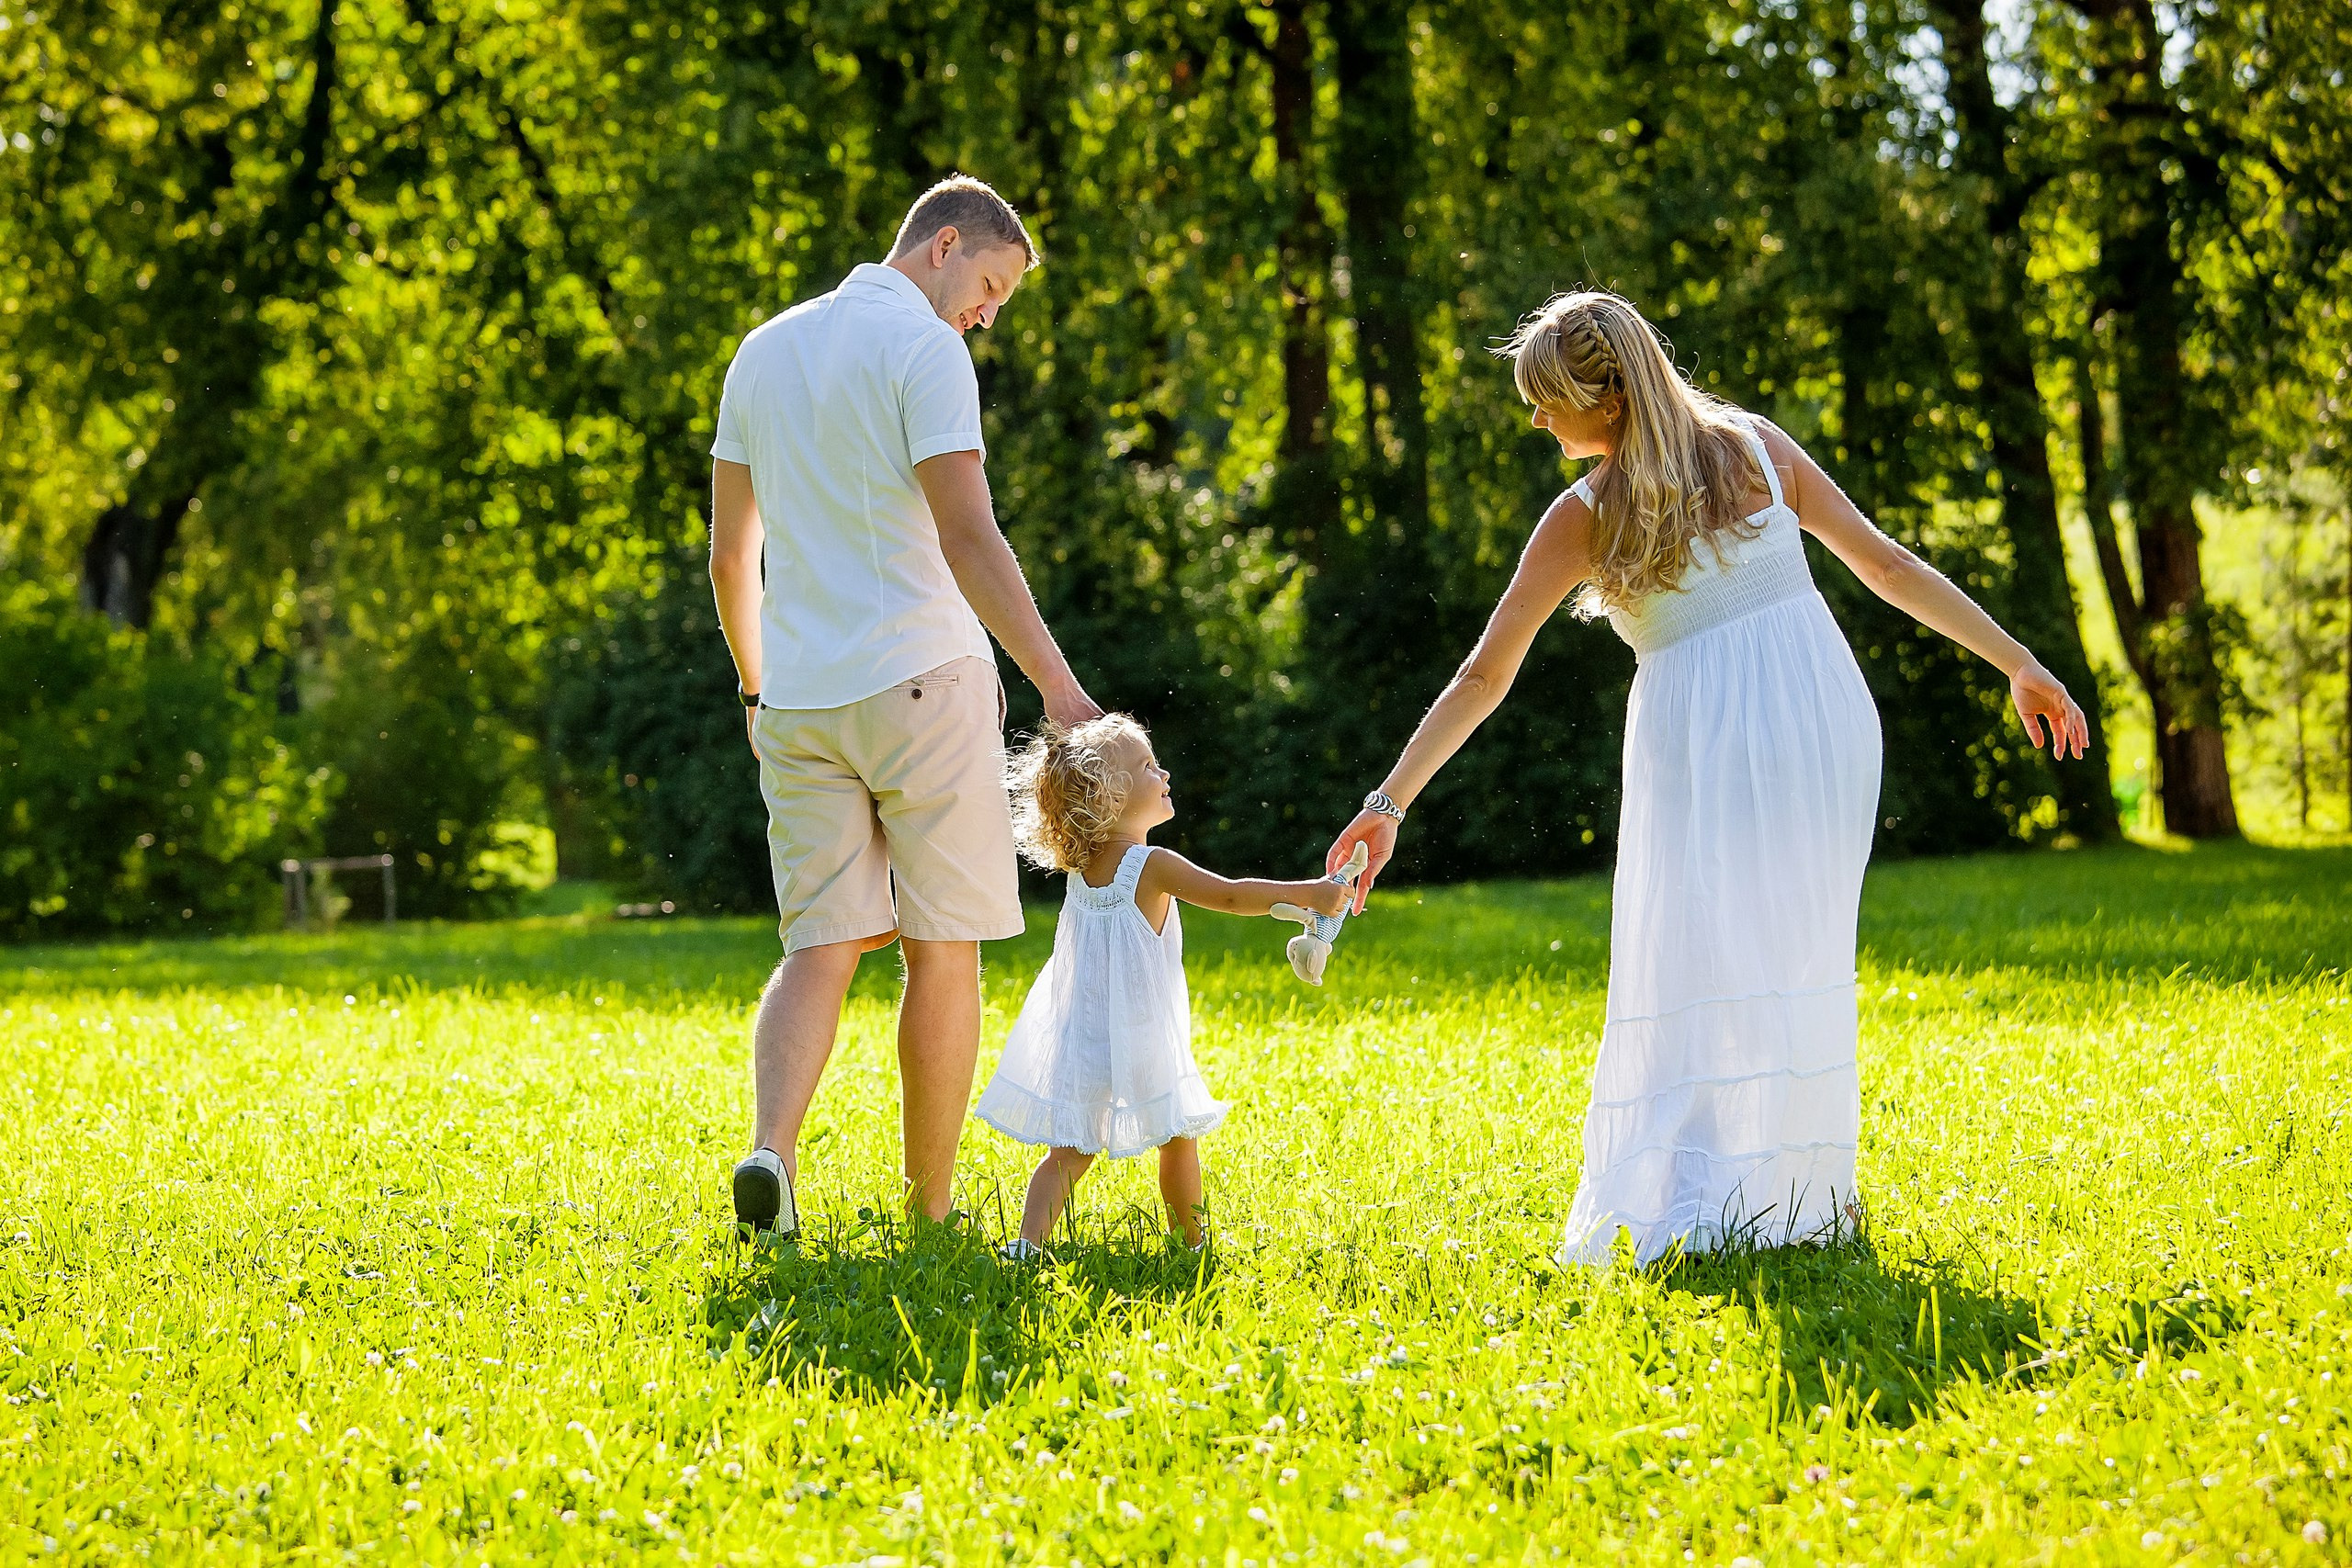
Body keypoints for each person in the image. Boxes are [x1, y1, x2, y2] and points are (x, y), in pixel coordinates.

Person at [1326, 289, 2089, 1266]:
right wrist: (2016, 660)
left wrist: (1388, 802)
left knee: (1703, 954)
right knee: (1793, 953)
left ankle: (1736, 1191)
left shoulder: (1583, 516)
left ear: (1606, 401)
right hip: (1820, 717)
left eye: (1546, 402)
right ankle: (1802, 1187)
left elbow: (1484, 677)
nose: (1536, 420)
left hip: (1711, 735)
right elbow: (1889, 567)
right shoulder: (1757, 447)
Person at [707, 175, 1103, 1238]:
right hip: (923, 683)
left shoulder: (762, 351)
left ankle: (770, 1154)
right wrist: (1057, 686)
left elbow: (730, 557)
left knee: (819, 944)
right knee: (943, 947)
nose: (987, 315)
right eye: (990, 287)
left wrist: (755, 686)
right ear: (943, 245)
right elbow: (967, 534)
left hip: (799, 700)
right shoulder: (926, 352)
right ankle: (929, 1213)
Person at [976, 715, 1350, 1256]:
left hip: (1085, 1032)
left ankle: (1028, 1244)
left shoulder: (1083, 867)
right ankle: (1191, 1244)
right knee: (1177, 1139)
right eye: (1149, 766)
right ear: (1110, 794)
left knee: (1070, 1150)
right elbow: (1229, 894)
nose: (1165, 773)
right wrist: (1309, 894)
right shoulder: (1152, 864)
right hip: (1142, 1032)